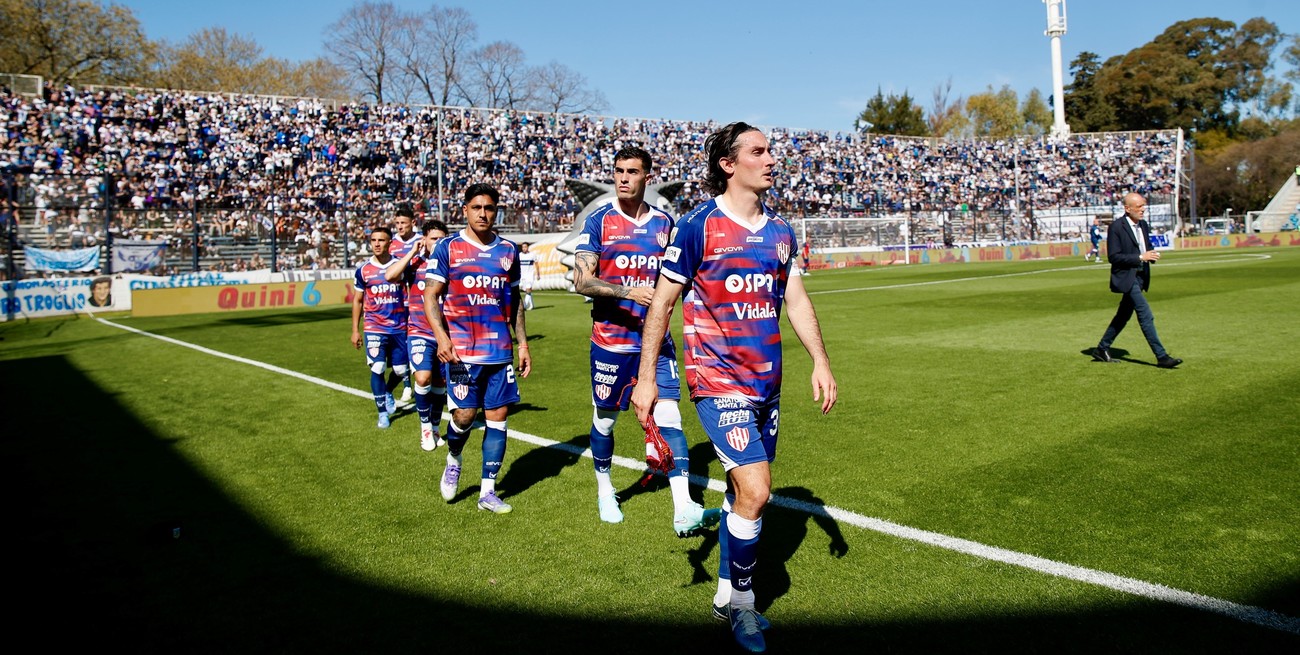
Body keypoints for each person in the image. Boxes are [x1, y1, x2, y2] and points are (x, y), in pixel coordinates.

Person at [631, 122, 837, 653]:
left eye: (771, 151)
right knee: (757, 490)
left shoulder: (781, 231)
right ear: (728, 164)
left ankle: (726, 592)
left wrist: (820, 360)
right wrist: (648, 377)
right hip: (716, 380)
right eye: (758, 151)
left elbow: (795, 299)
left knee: (741, 495)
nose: (771, 160)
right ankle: (742, 606)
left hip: (768, 383)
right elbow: (662, 303)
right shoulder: (698, 226)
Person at [572, 144, 720, 534]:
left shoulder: (665, 224)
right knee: (606, 421)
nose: (623, 178)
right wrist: (628, 292)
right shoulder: (599, 221)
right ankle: (605, 491)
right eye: (619, 171)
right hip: (611, 342)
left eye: (632, 171)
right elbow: (581, 281)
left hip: (656, 342)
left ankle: (684, 507)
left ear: (646, 177)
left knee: (669, 415)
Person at [423, 184, 531, 514]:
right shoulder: (448, 248)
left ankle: (488, 492)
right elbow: (430, 296)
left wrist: (523, 344)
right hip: (460, 354)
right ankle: (454, 458)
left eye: (489, 208)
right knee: (465, 415)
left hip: (500, 352)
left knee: (498, 418)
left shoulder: (508, 250)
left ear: (496, 211)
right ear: (465, 210)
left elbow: (515, 302)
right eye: (476, 207)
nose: (483, 214)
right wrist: (442, 338)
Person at [1092, 192, 1182, 368]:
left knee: (1123, 316)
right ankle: (1162, 356)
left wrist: (1151, 254)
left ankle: (1102, 348)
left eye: (1143, 206)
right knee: (1145, 314)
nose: (1143, 209)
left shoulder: (1143, 225)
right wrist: (1141, 257)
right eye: (1139, 206)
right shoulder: (1116, 227)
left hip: (1141, 277)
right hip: (1127, 277)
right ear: (1127, 208)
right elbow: (1114, 257)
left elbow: (1145, 247)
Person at [386, 218, 450, 452]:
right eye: (434, 239)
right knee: (422, 379)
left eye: (442, 239)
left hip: (447, 334)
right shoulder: (415, 263)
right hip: (420, 331)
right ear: (424, 240)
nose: (438, 243)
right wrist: (412, 251)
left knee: (440, 383)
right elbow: (390, 276)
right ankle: (425, 428)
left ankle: (435, 426)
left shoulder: (453, 264)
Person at [352, 226, 410, 428]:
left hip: (399, 326)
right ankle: (382, 413)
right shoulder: (363, 270)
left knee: (401, 370)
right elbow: (358, 300)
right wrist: (355, 330)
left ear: (390, 243)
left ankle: (387, 391)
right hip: (374, 326)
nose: (377, 244)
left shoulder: (400, 266)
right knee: (377, 367)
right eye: (373, 240)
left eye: (381, 240)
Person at [389, 207, 421, 405]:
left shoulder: (421, 241)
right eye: (397, 223)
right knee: (402, 345)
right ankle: (407, 384)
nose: (400, 227)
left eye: (403, 223)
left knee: (418, 343)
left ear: (413, 223)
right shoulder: (391, 244)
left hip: (418, 302)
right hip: (398, 303)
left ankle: (427, 382)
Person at [518, 242, 536, 310]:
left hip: (530, 275)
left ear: (528, 247)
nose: (524, 248)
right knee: (527, 291)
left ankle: (524, 306)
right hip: (522, 276)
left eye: (525, 247)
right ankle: (532, 305)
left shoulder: (532, 255)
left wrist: (538, 274)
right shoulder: (520, 255)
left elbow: (537, 264)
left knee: (528, 290)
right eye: (523, 247)